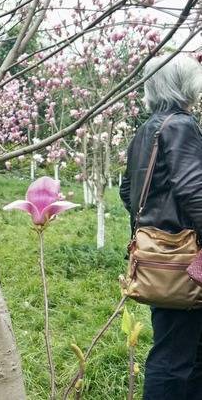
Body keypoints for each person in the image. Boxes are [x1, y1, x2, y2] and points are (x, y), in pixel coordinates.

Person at [119, 54, 202, 399]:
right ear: (186, 84)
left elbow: (127, 190)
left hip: (159, 260)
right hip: (184, 261)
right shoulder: (181, 125)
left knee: (180, 348)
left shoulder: (147, 128)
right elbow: (195, 191)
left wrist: (154, 229)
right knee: (177, 356)